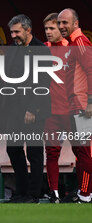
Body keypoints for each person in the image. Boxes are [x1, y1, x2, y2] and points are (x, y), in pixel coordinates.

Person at [4, 14, 52, 203]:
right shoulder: (13, 49)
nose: (14, 35)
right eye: (12, 32)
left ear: (28, 30)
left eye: (17, 32)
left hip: (34, 110)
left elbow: (44, 82)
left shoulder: (41, 50)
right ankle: (21, 192)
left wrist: (33, 109)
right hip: (14, 108)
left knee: (34, 152)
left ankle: (34, 194)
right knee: (13, 149)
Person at [57, 8, 92, 203]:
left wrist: (90, 102)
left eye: (65, 23)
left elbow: (91, 70)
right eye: (59, 23)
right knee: (80, 152)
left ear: (76, 23)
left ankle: (86, 194)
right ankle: (85, 193)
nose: (62, 26)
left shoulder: (80, 41)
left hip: (82, 105)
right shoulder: (70, 44)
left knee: (85, 152)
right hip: (74, 105)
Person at [42, 13, 70, 203]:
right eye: (46, 29)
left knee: (82, 152)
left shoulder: (74, 48)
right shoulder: (43, 50)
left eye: (52, 28)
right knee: (51, 152)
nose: (48, 32)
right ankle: (55, 193)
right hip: (50, 111)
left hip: (72, 110)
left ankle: (86, 192)